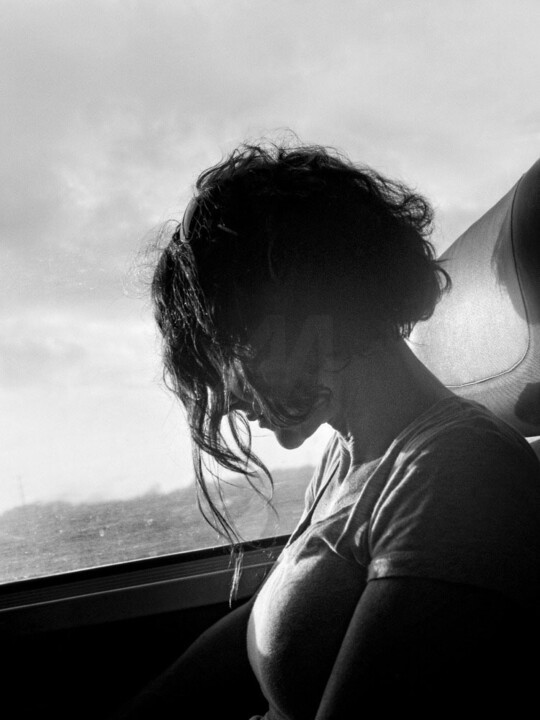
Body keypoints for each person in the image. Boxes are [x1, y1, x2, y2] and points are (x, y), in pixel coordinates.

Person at [118, 141, 540, 718]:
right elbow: (269, 625)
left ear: (293, 312)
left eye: (226, 353)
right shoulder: (348, 457)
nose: (228, 398)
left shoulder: (458, 471)